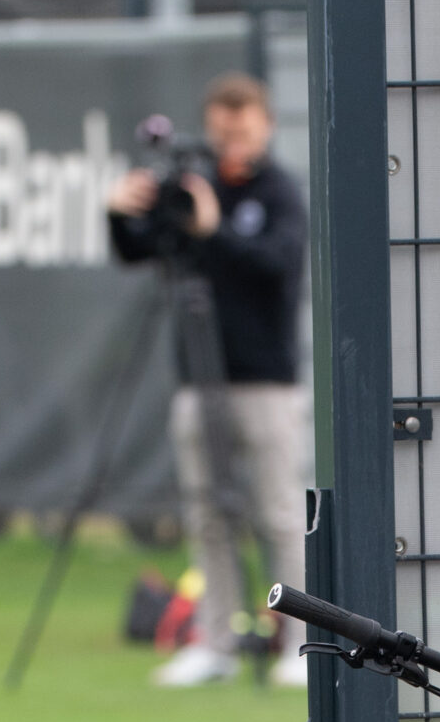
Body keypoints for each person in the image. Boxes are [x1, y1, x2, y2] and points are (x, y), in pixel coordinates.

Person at [107, 72, 310, 689]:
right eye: (223, 129)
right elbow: (141, 249)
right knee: (207, 517)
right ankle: (215, 641)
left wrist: (215, 229)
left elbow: (276, 263)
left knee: (279, 514)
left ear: (266, 126)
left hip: (266, 383)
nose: (233, 140)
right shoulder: (197, 188)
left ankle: (301, 647)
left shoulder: (279, 192)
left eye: (244, 127)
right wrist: (119, 215)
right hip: (199, 382)